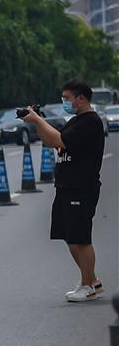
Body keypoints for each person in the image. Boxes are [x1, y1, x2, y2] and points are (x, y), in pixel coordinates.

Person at [22, 80, 105, 302]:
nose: (64, 102)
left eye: (67, 98)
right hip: (66, 186)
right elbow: (52, 142)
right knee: (69, 236)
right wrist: (37, 123)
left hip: (81, 186)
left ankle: (88, 286)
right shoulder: (74, 122)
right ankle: (92, 280)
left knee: (81, 237)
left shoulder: (90, 122)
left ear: (81, 98)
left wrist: (38, 119)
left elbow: (60, 140)